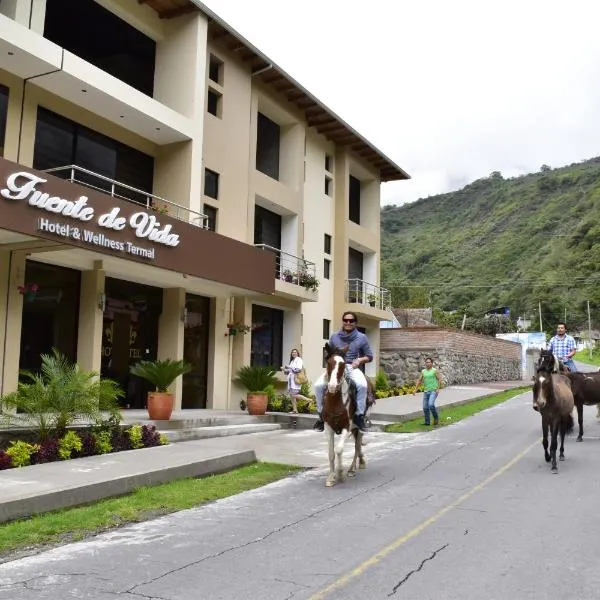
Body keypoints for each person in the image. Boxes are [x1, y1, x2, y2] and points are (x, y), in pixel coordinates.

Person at [313, 311, 373, 432]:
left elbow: (369, 356)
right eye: (345, 320)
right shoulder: (334, 336)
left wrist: (360, 360)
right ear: (343, 321)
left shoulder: (362, 337)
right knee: (318, 385)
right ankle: (321, 416)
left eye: (351, 321)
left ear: (355, 323)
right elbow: (328, 354)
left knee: (362, 385)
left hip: (352, 367)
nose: (348, 322)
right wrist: (329, 367)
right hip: (335, 367)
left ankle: (359, 416)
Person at [413, 357, 443, 426]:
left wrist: (438, 389)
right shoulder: (423, 371)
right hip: (426, 391)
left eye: (429, 362)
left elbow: (439, 379)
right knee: (425, 407)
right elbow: (419, 380)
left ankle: (436, 418)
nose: (427, 364)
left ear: (432, 363)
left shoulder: (435, 370)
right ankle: (427, 422)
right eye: (426, 362)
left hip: (433, 391)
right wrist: (415, 389)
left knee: (431, 405)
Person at [282, 349, 311, 414]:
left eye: (295, 352)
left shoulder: (299, 360)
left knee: (294, 395)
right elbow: (289, 372)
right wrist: (284, 370)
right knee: (292, 395)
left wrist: (289, 367)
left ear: (297, 353)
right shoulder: (292, 361)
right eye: (292, 352)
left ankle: (309, 400)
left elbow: (298, 370)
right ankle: (295, 410)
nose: (293, 353)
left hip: (296, 380)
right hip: (291, 380)